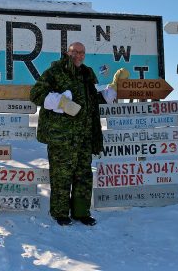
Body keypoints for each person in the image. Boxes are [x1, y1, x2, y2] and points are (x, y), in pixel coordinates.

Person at [30, 42, 129, 226]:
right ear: (67, 52)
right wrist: (60, 102)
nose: (78, 55)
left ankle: (81, 213)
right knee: (61, 175)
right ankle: (60, 213)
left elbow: (92, 100)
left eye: (82, 52)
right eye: (74, 52)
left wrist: (112, 89)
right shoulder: (55, 71)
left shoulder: (86, 73)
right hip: (62, 137)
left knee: (83, 176)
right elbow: (36, 94)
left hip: (84, 136)